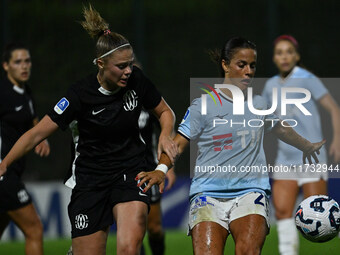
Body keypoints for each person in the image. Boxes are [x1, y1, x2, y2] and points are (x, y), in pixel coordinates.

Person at [0, 4, 177, 255]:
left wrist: (166, 133)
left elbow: (164, 111)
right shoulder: (78, 96)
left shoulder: (136, 80)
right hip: (90, 183)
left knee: (128, 248)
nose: (128, 71)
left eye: (130, 64)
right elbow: (36, 134)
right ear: (101, 64)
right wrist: (4, 163)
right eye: (121, 66)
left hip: (131, 173)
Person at [136, 37, 325, 255]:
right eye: (241, 65)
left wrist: (307, 146)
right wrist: (161, 169)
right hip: (207, 194)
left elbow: (281, 128)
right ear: (225, 65)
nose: (248, 71)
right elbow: (178, 143)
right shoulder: (203, 106)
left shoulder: (259, 104)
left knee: (247, 251)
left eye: (252, 65)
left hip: (250, 193)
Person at [261, 35, 340, 255]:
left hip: (312, 157)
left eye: (288, 52)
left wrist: (337, 139)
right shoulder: (269, 85)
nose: (284, 56)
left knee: (321, 214)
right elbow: (269, 122)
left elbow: (334, 108)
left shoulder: (306, 78)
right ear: (274, 58)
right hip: (285, 158)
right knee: (283, 212)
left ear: (296, 56)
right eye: (279, 52)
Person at [0, 42, 50, 255]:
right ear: (6, 66)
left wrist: (41, 136)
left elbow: (32, 118)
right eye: (18, 62)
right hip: (4, 174)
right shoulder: (3, 93)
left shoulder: (25, 91)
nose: (24, 66)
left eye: (27, 61)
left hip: (12, 173)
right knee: (34, 229)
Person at [138, 108, 176, 255]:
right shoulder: (113, 101)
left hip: (150, 171)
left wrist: (168, 168)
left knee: (154, 228)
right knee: (135, 228)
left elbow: (167, 129)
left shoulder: (146, 101)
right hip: (125, 173)